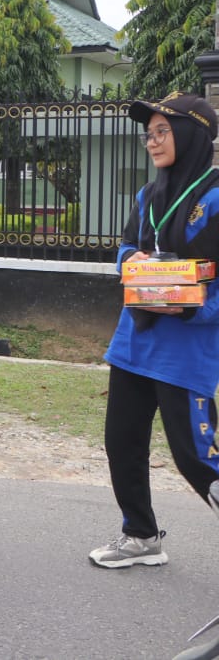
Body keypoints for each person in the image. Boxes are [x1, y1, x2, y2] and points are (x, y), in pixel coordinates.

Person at [90, 91, 219, 568]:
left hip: (184, 351)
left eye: (163, 131)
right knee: (121, 439)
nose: (152, 141)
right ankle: (141, 535)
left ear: (192, 134)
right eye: (149, 134)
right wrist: (134, 262)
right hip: (134, 341)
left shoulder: (216, 198)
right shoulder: (149, 196)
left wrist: (189, 308)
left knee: (197, 458)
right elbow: (124, 249)